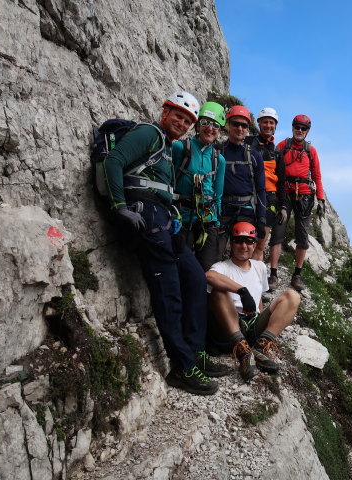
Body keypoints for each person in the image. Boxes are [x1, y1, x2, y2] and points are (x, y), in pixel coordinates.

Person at [103, 91, 231, 396]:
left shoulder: (163, 144)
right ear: (165, 112)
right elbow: (114, 161)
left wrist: (173, 213)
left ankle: (197, 352)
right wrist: (119, 205)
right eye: (178, 115)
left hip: (165, 219)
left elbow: (165, 187)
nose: (182, 122)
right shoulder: (148, 133)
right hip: (146, 219)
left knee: (196, 279)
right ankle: (182, 367)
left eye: (187, 119)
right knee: (169, 292)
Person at [206, 222, 300, 381]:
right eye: (239, 241)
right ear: (231, 243)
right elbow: (209, 276)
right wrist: (241, 291)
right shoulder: (222, 267)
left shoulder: (260, 267)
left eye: (249, 242)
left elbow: (259, 301)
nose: (244, 246)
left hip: (253, 325)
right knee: (218, 291)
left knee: (293, 296)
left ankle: (260, 347)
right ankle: (242, 350)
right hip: (230, 327)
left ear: (255, 244)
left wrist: (259, 313)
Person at [270, 115, 325, 292]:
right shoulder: (282, 146)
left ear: (307, 131)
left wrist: (321, 198)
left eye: (303, 128)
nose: (300, 131)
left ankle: (297, 274)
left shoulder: (311, 151)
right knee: (277, 233)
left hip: (304, 197)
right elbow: (272, 168)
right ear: (293, 127)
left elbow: (317, 175)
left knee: (302, 236)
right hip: (284, 194)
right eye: (297, 127)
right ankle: (273, 274)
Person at [172, 101, 226, 271]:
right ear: (197, 125)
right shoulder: (180, 148)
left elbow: (218, 194)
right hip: (182, 217)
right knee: (182, 267)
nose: (210, 128)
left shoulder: (219, 160)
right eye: (205, 123)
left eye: (215, 125)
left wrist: (217, 222)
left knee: (207, 270)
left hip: (207, 221)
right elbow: (167, 181)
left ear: (219, 131)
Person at [217, 105, 267, 261]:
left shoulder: (254, 156)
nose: (240, 128)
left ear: (248, 129)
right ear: (228, 125)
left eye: (244, 125)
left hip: (246, 213)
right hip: (221, 213)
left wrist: (261, 219)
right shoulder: (216, 151)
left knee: (242, 258)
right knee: (213, 257)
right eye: (235, 124)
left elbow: (260, 189)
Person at [244, 108, 287, 276]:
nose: (268, 125)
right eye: (265, 122)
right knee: (244, 239)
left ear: (275, 126)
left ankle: (254, 281)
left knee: (260, 244)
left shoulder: (277, 153)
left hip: (269, 200)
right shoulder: (247, 143)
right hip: (248, 197)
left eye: (272, 123)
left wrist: (282, 205)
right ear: (259, 123)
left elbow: (282, 182)